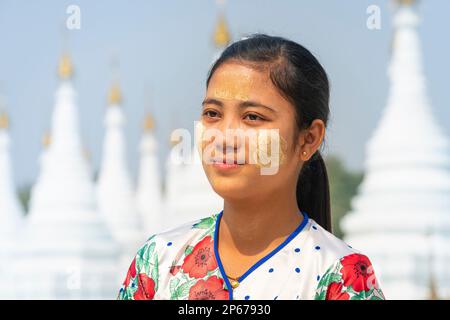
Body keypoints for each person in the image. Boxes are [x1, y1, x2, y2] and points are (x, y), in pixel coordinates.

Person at [117, 34, 385, 300]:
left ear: (308, 138)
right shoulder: (158, 262)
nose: (224, 137)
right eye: (212, 113)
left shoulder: (340, 276)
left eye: (252, 117)